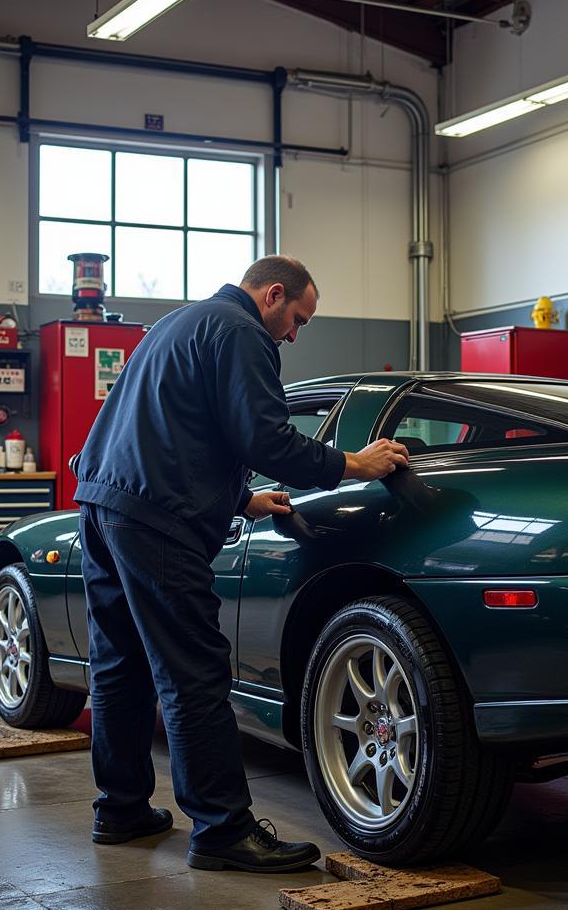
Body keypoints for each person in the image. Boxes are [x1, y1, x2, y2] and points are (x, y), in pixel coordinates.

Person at [73, 256, 409, 872]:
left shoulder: (177, 324)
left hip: (102, 504)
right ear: (273, 294)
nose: (294, 333)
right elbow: (264, 438)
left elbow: (181, 432)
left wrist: (241, 498)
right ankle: (223, 829)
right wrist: (354, 465)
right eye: (298, 319)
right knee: (194, 671)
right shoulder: (240, 332)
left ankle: (118, 808)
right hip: (156, 519)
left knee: (120, 665)